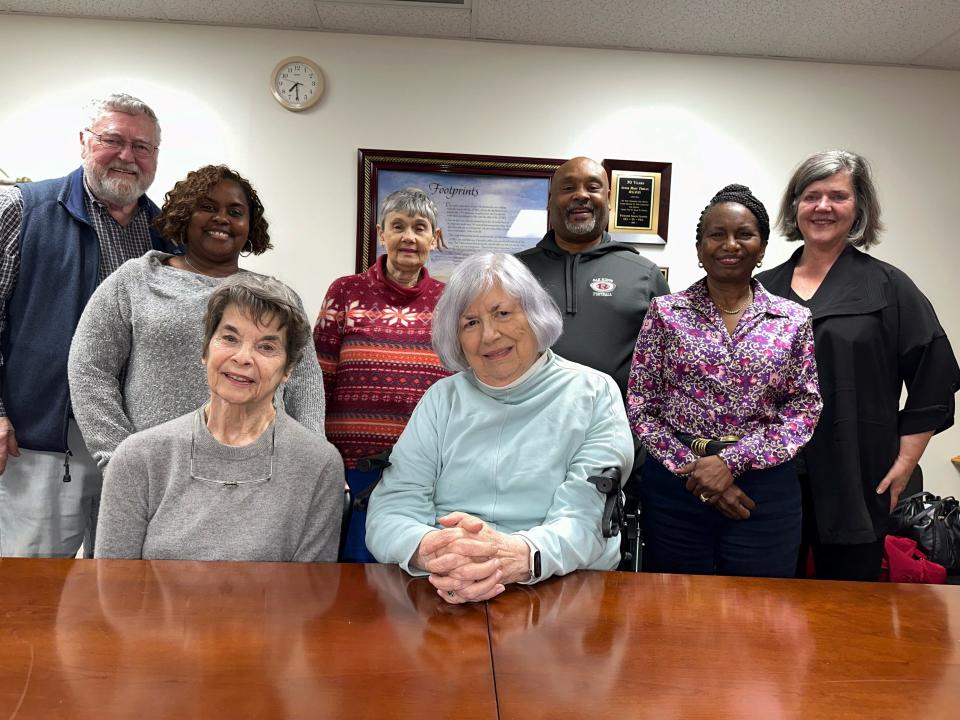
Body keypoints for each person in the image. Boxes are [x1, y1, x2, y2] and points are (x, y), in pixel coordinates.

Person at [366, 252, 633, 603]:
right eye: (470, 323)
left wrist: (518, 555)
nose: (489, 335)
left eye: (502, 313)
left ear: (535, 315)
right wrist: (431, 548)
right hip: (443, 585)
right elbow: (392, 508)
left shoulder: (594, 393)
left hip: (561, 589)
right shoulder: (441, 400)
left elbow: (586, 518)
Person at [757, 150, 960, 581]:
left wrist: (905, 464)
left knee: (847, 616)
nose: (823, 207)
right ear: (795, 206)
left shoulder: (888, 286)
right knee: (765, 609)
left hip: (856, 477)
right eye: (811, 196)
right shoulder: (762, 289)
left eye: (838, 196)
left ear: (859, 208)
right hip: (769, 479)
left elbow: (934, 375)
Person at [0, 93, 175, 558]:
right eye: (113, 140)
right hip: (38, 437)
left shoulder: (167, 233)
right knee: (30, 587)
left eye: (142, 147)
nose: (127, 156)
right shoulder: (22, 209)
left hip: (136, 441)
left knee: (123, 588)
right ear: (83, 142)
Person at [69, 164, 324, 475]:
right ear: (184, 215)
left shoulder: (276, 296)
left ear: (249, 225)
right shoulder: (135, 281)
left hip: (260, 471)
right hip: (156, 470)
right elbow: (89, 369)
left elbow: (304, 383)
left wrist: (311, 463)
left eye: (235, 211)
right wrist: (119, 458)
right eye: (207, 207)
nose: (222, 219)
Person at [627, 184, 822, 578]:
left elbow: (804, 409)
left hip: (764, 492)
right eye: (717, 234)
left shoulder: (793, 319)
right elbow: (641, 405)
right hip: (677, 487)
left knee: (760, 615)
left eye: (744, 234)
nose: (730, 244)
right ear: (699, 249)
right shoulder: (665, 313)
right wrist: (698, 473)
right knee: (676, 615)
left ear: (763, 247)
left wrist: (731, 463)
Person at [94, 274, 343, 561]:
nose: (243, 357)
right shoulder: (137, 458)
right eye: (229, 338)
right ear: (205, 349)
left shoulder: (319, 466)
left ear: (288, 369)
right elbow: (113, 592)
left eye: (266, 347)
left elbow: (307, 597)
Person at [516, 156, 669, 520]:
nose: (581, 196)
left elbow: (667, 368)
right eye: (568, 188)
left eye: (593, 187)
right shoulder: (516, 271)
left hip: (616, 449)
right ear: (550, 201)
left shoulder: (643, 274)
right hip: (526, 445)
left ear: (609, 199)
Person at [314, 187, 450, 562]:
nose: (409, 236)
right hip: (349, 468)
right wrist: (320, 458)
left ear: (433, 239)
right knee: (347, 580)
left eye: (420, 227)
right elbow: (315, 383)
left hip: (422, 472)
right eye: (399, 226)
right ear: (381, 234)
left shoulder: (451, 301)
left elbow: (461, 387)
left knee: (405, 578)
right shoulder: (344, 292)